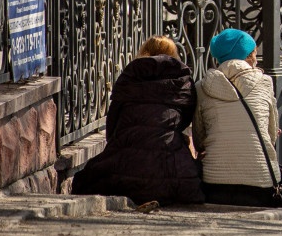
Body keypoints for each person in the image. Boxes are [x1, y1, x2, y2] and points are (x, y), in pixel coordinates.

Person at [71, 36, 204, 205]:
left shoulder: (130, 77)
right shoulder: (183, 82)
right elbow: (184, 122)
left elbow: (113, 125)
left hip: (125, 156)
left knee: (86, 180)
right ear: (173, 54)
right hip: (168, 163)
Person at [192, 28, 279, 207]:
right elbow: (271, 136)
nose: (256, 58)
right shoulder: (265, 82)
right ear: (247, 55)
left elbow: (199, 142)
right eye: (254, 53)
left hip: (215, 184)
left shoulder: (202, 87)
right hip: (260, 183)